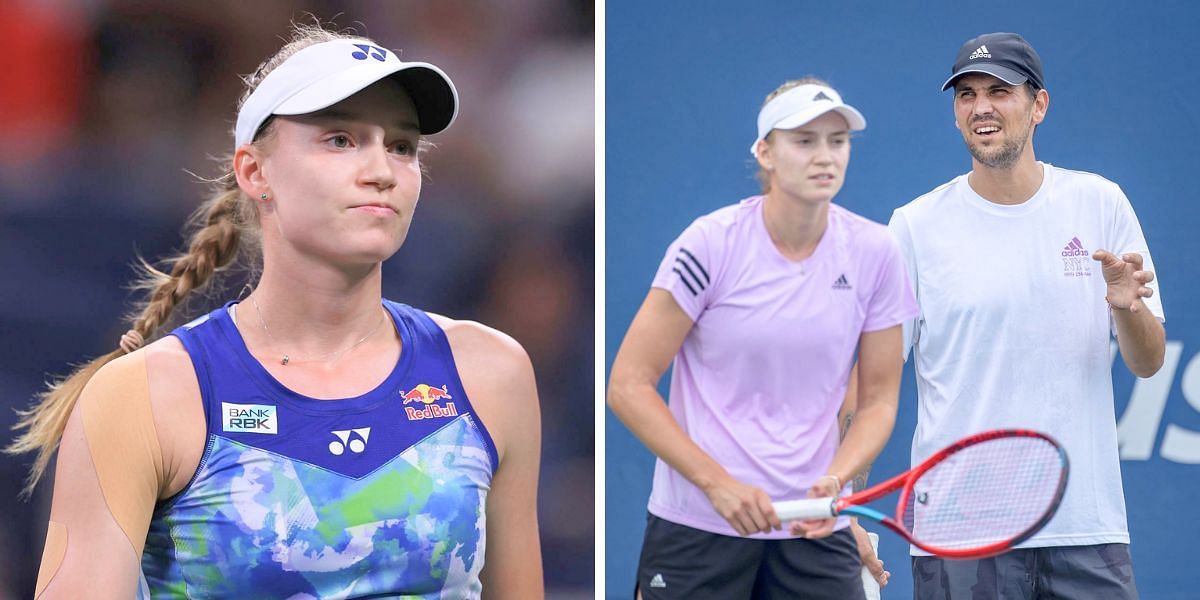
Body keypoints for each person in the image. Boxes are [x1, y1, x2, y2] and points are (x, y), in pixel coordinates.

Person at [9, 24, 543, 599]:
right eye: (340, 140)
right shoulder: (143, 395)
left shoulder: (490, 373)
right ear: (254, 172)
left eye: (402, 146)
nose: (382, 170)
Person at [608, 77, 917, 599]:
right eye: (804, 140)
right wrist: (717, 484)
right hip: (698, 526)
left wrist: (837, 482)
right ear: (765, 152)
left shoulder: (877, 253)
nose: (825, 156)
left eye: (837, 141)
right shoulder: (709, 244)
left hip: (815, 527)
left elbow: (878, 400)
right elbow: (628, 385)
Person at [889, 32, 1165, 599]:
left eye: (999, 91)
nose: (981, 107)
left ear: (1039, 105)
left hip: (1086, 528)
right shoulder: (914, 227)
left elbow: (1148, 361)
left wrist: (1128, 309)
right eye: (966, 95)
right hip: (960, 536)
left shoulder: (1100, 203)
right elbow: (871, 383)